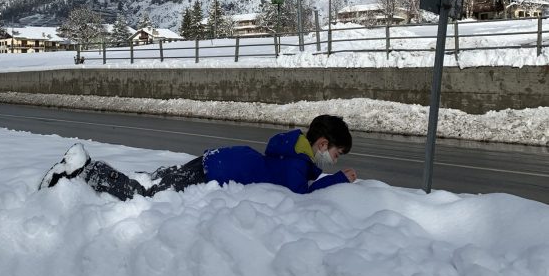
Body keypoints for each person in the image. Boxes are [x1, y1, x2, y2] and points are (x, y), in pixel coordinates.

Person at [39, 114, 357, 201]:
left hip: (218, 161)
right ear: (323, 143)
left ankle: (87, 169)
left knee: (155, 181)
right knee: (147, 194)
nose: (335, 161)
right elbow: (300, 192)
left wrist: (321, 173)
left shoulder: (296, 149)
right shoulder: (298, 164)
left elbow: (295, 173)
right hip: (213, 170)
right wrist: (338, 179)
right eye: (335, 154)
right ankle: (86, 170)